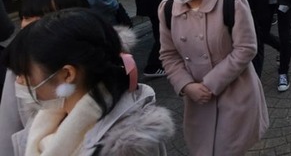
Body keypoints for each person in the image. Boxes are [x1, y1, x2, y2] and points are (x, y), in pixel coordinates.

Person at [2, 8, 174, 155]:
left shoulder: (126, 147)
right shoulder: (50, 115)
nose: (19, 81)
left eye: (25, 73)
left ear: (67, 74)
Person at [158, 0, 268, 155]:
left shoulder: (231, 1)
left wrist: (209, 84)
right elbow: (168, 54)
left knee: (230, 149)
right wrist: (186, 85)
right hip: (196, 97)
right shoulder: (167, 9)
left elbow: (246, 48)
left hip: (235, 90)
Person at [0, 0, 91, 155]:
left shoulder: (101, 57)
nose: (28, 24)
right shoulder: (20, 63)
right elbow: (8, 125)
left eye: (42, 16)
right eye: (25, 17)